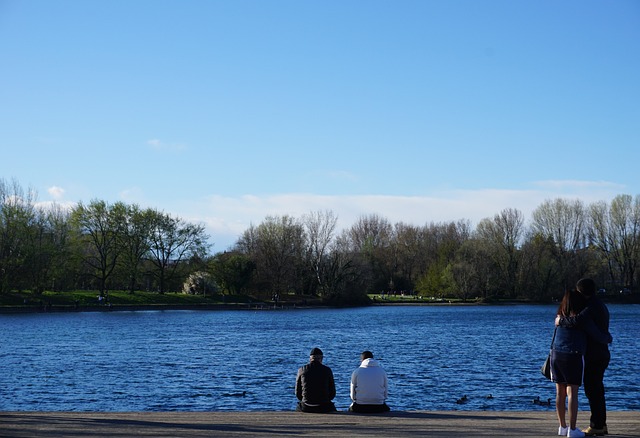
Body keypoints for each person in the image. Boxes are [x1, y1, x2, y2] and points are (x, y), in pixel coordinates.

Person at [551, 289, 611, 437]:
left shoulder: (559, 317)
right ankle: (572, 430)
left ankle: (562, 427)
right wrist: (609, 337)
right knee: (572, 393)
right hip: (573, 355)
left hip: (555, 354)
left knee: (560, 392)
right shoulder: (581, 320)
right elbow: (600, 336)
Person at [295, 347, 336, 413]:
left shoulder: (301, 370)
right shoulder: (327, 370)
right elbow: (332, 393)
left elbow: (298, 393)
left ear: (310, 358)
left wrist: (305, 399)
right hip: (323, 406)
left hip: (306, 406)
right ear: (321, 358)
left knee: (298, 408)